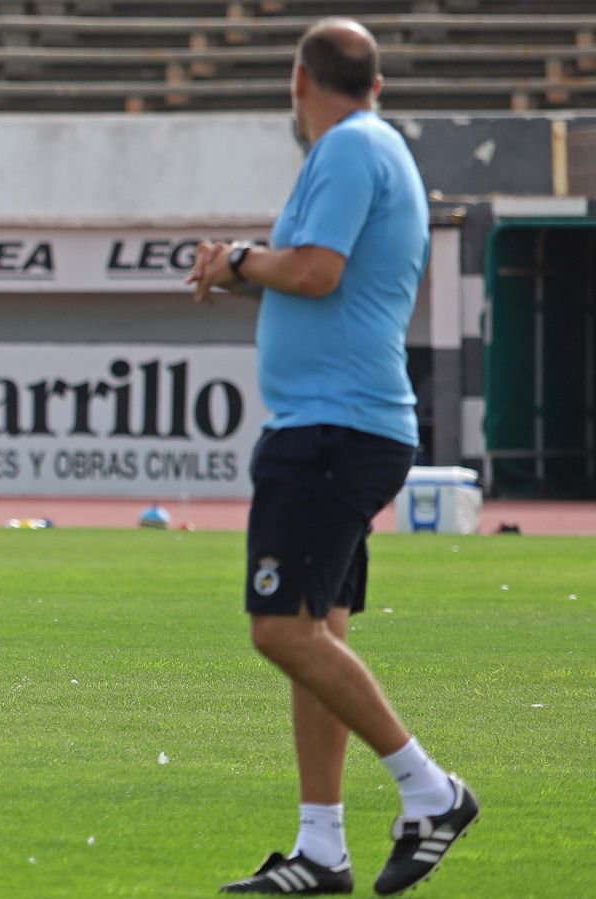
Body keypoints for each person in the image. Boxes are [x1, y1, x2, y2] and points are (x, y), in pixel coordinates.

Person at [187, 18, 479, 897]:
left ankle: (432, 792)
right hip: (340, 424)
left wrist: (241, 257)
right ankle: (321, 848)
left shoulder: (351, 149)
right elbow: (311, 274)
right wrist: (240, 268)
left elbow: (316, 272)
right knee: (319, 633)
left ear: (300, 80)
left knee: (280, 628)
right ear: (375, 80)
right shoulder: (363, 146)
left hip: (333, 430)